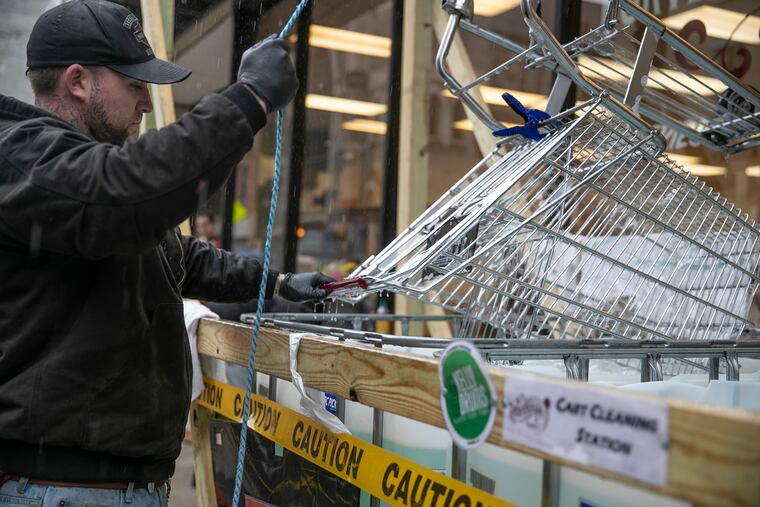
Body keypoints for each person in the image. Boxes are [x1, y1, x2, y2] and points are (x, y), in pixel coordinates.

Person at [0, 0, 333, 504]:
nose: (147, 104)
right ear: (77, 81)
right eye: (135, 85)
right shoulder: (22, 156)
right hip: (60, 488)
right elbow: (126, 192)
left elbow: (176, 255)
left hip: (118, 485)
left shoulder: (78, 182)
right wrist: (248, 101)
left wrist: (274, 284)